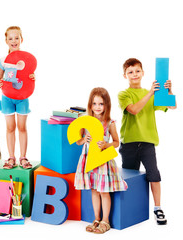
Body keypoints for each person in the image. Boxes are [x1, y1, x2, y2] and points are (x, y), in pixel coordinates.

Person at [118, 58, 177, 225]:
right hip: (129, 143)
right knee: (129, 177)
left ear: (143, 73)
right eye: (130, 72)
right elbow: (134, 110)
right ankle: (130, 208)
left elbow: (172, 106)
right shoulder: (124, 94)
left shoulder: (152, 93)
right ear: (125, 76)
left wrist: (169, 91)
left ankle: (158, 208)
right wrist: (151, 93)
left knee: (154, 175)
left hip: (147, 143)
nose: (134, 74)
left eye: (137, 71)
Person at [75, 87, 128, 234]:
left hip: (103, 161)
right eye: (95, 103)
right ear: (90, 105)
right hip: (89, 159)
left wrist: (107, 144)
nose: (97, 107)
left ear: (107, 105)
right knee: (94, 190)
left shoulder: (109, 122)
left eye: (101, 104)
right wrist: (83, 139)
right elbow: (78, 141)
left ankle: (106, 221)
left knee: (104, 191)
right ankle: (96, 219)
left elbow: (117, 142)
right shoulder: (85, 121)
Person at [0, 26, 35, 169]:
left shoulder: (27, 60)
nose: (14, 41)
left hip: (23, 96)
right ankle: (11, 158)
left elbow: (30, 76)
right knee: (10, 128)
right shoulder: (3, 60)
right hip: (7, 97)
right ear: (6, 41)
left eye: (16, 38)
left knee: (22, 127)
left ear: (21, 39)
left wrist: (32, 77)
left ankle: (23, 158)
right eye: (10, 38)